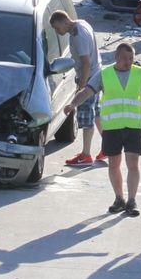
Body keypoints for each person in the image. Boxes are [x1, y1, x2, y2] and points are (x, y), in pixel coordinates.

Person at [64, 42, 141, 217]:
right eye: (125, 58)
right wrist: (72, 103)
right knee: (114, 165)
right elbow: (87, 91)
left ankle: (132, 201)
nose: (128, 62)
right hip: (112, 128)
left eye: (131, 58)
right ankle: (119, 199)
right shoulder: (104, 75)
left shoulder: (139, 73)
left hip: (133, 127)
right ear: (116, 57)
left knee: (133, 165)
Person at [51, 11, 106, 167]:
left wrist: (81, 88)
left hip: (89, 78)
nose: (57, 31)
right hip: (97, 74)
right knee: (96, 114)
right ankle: (108, 148)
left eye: (57, 27)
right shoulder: (82, 23)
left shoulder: (77, 36)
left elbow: (86, 63)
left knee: (86, 117)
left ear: (64, 22)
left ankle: (86, 155)